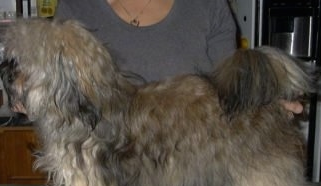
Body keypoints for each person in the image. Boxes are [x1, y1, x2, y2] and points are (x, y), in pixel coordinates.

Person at [55, 0, 303, 114]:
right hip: (107, 181)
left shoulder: (208, 6)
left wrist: (265, 101)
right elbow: (62, 94)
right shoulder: (75, 8)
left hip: (198, 175)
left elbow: (231, 91)